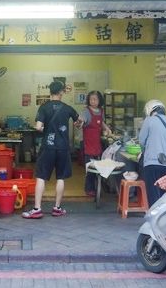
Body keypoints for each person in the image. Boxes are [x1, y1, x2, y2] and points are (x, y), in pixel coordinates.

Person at [22, 81, 82, 219]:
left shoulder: (44, 107)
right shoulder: (67, 108)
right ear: (61, 92)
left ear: (50, 92)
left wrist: (44, 128)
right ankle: (57, 208)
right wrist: (78, 123)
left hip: (48, 146)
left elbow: (38, 127)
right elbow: (79, 122)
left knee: (41, 177)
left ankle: (37, 209)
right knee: (60, 177)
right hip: (63, 147)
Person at [80, 90, 112, 196]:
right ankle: (89, 189)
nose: (93, 101)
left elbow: (101, 122)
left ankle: (97, 188)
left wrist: (107, 129)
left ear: (99, 100)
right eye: (91, 99)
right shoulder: (86, 111)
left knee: (98, 166)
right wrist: (80, 123)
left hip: (97, 143)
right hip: (88, 144)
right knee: (90, 167)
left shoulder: (101, 111)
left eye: (95, 99)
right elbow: (82, 120)